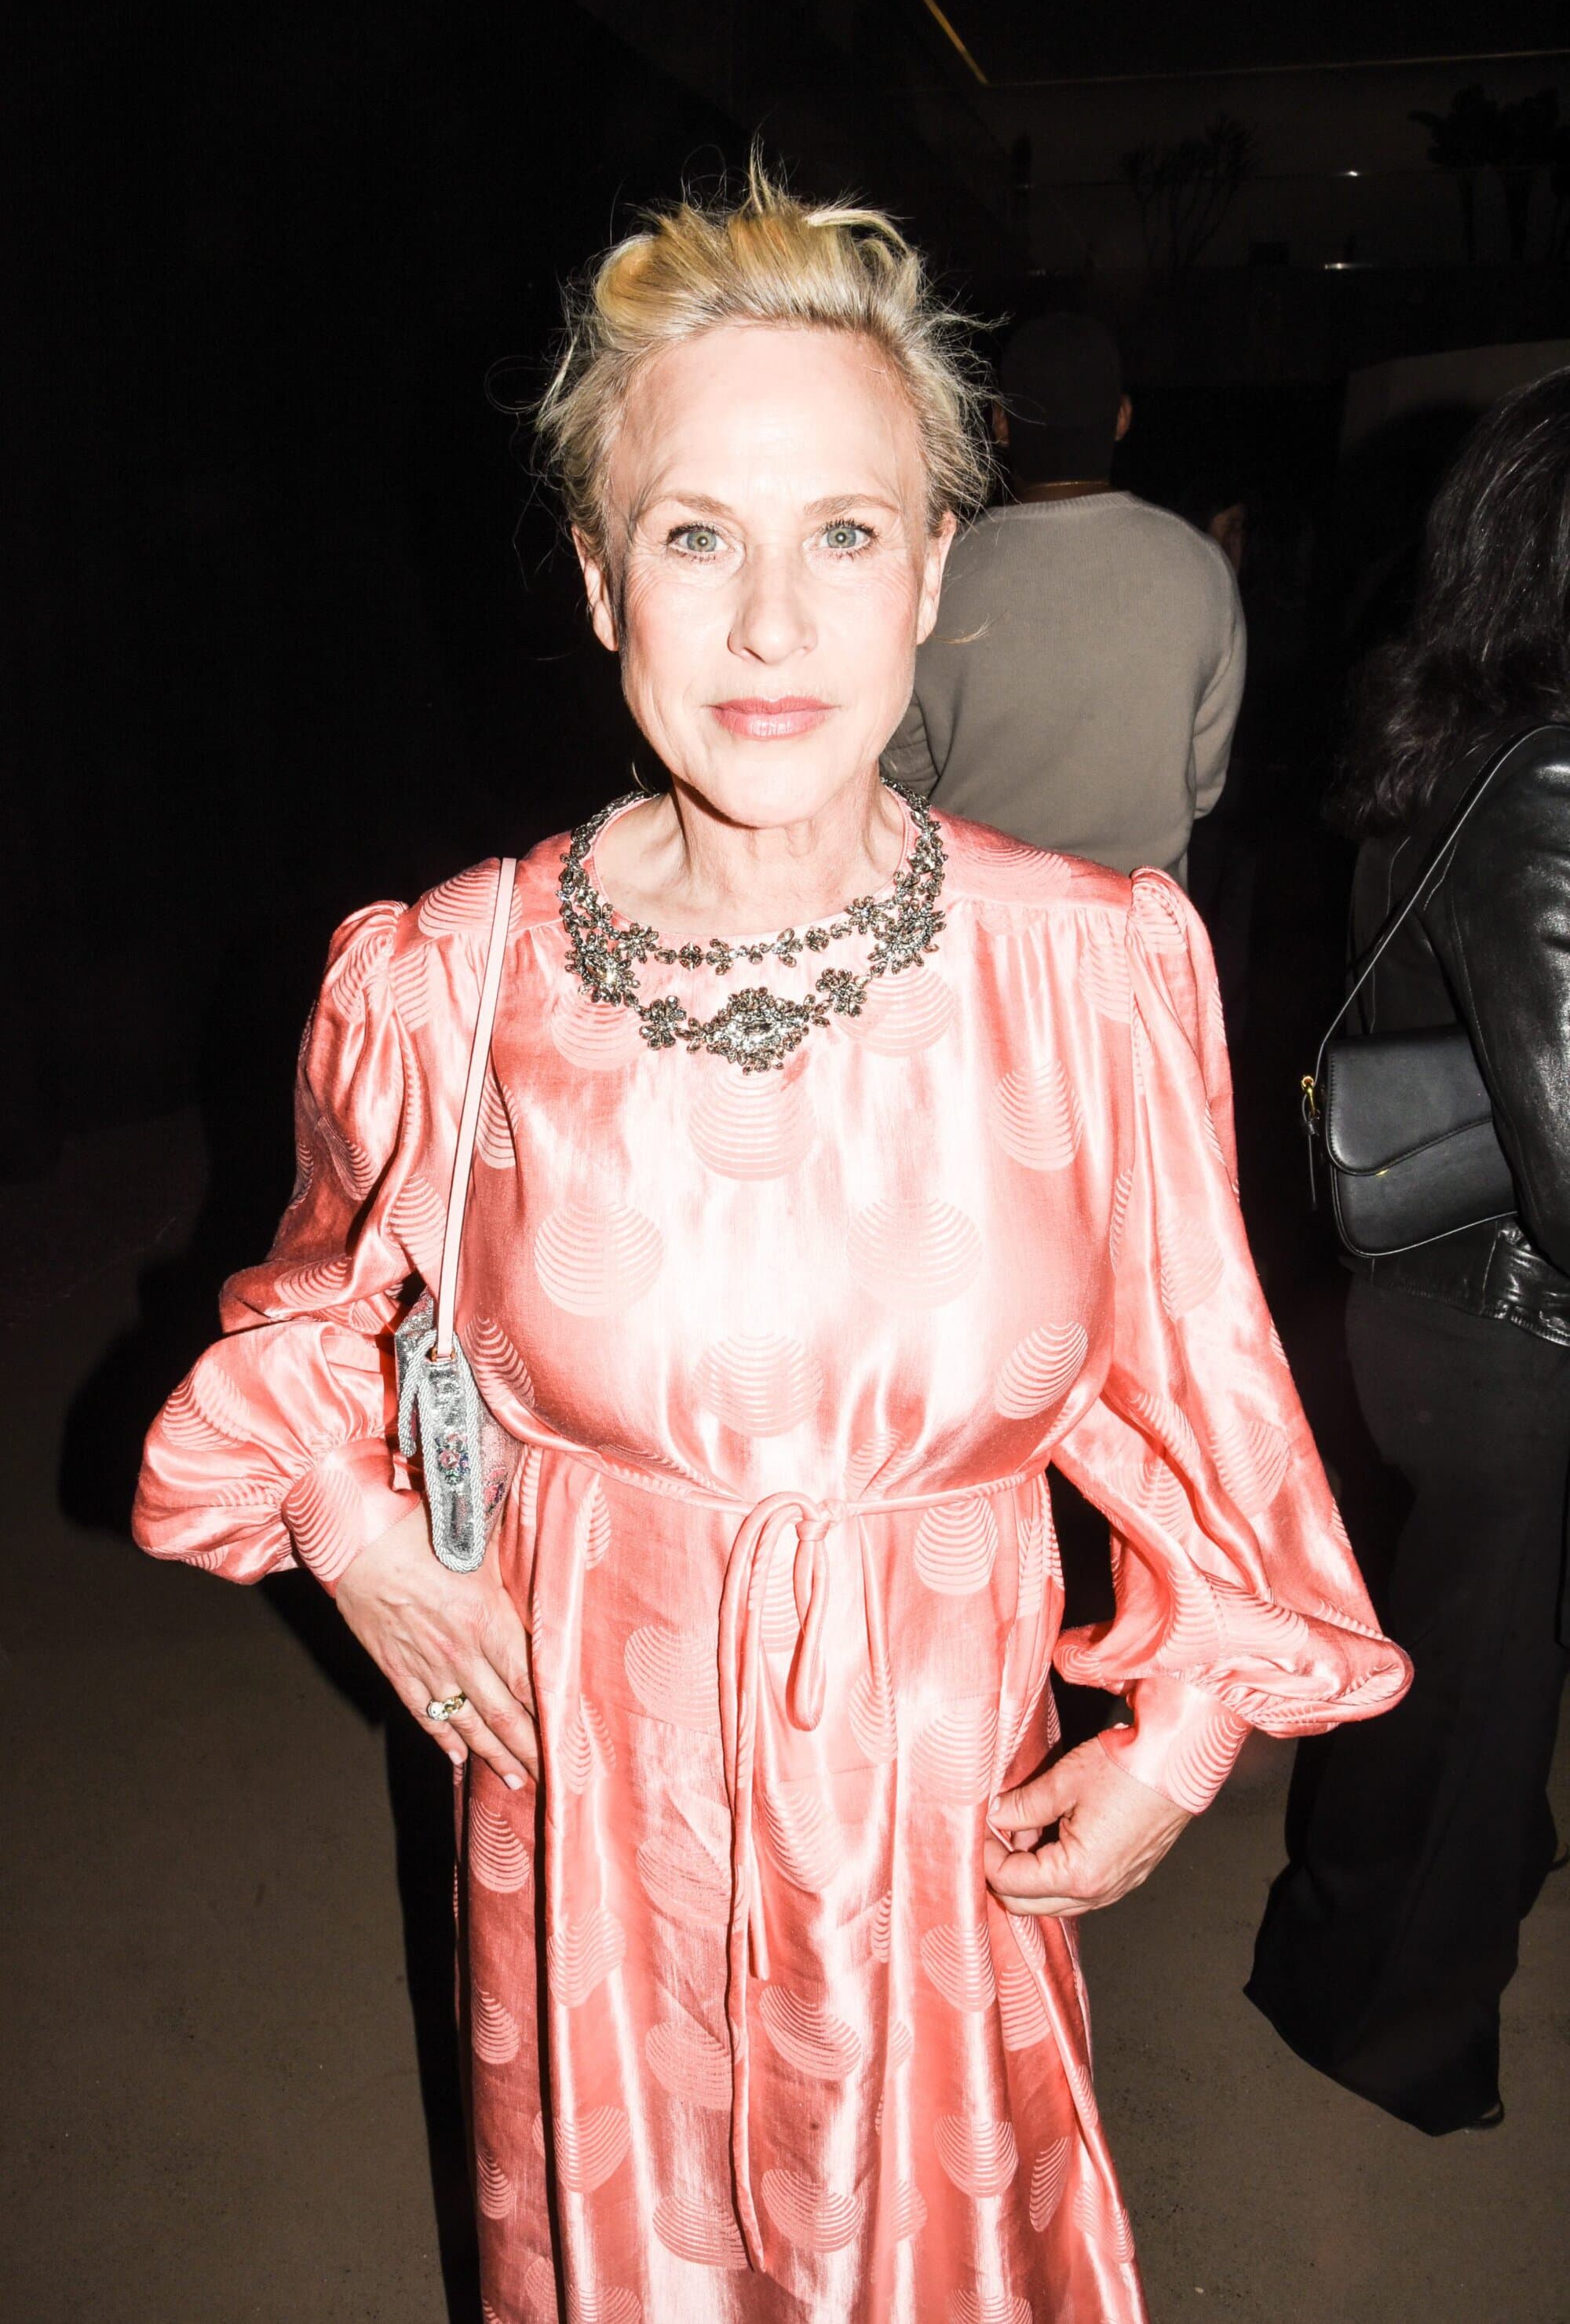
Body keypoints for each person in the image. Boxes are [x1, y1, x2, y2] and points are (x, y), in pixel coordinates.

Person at [134, 165, 1407, 2323]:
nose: (768, 625)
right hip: (595, 1843)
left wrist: (1181, 1738)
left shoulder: (1089, 971)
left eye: (841, 535)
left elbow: (1204, 1384)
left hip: (932, 1847)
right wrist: (352, 1523)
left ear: (933, 570)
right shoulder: (448, 984)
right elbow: (308, 1320)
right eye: (694, 537)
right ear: (597, 576)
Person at [1248, 365, 1570, 2137]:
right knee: (1459, 1714)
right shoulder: (1550, 775)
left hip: (1444, 1310)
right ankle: (1375, 2017)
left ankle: (1367, 1954)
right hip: (1508, 1326)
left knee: (1454, 1688)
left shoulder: (1447, 726)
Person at [882, 312, 1245, 886]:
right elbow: (1202, 788)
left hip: (977, 912)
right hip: (1136, 917)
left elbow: (904, 773)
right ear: (1121, 418)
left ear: (1000, 424)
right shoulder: (1202, 567)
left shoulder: (938, 570)